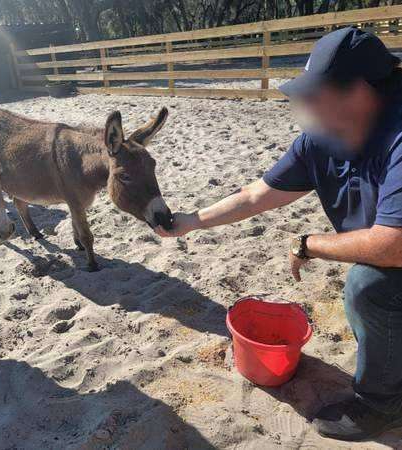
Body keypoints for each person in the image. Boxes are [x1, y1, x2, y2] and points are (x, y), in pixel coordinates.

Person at [156, 26, 402, 442]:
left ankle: (383, 404)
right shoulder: (326, 136)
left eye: (316, 93)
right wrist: (191, 220)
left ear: (358, 91)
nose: (307, 107)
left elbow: (394, 246)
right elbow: (257, 194)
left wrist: (309, 244)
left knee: (370, 286)